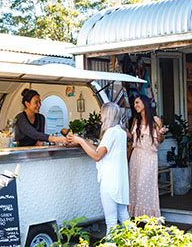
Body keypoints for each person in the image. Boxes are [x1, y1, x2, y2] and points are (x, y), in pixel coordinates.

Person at [67, 102, 129, 234]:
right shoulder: (120, 132)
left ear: (108, 115)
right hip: (120, 181)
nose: (100, 118)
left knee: (111, 221)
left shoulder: (110, 132)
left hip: (110, 181)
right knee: (124, 217)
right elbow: (100, 150)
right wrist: (86, 142)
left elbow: (97, 156)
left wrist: (81, 141)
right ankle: (136, 241)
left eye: (102, 114)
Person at [125, 94, 168, 218]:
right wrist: (119, 130)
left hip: (149, 157)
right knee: (134, 186)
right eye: (134, 103)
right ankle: (135, 216)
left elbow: (160, 140)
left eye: (137, 103)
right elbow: (132, 138)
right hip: (136, 156)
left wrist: (161, 133)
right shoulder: (136, 120)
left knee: (146, 186)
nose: (135, 106)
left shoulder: (155, 120)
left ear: (145, 103)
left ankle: (148, 217)